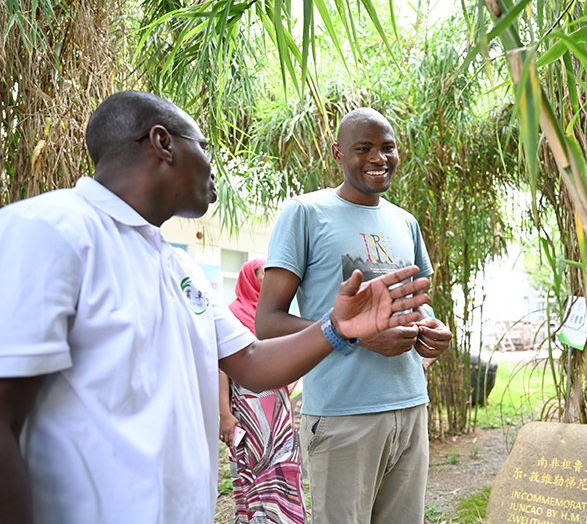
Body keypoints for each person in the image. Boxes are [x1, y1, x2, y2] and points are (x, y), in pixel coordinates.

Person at [0, 91, 431, 524]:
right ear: (163, 143)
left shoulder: (176, 266)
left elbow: (252, 361)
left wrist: (338, 328)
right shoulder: (51, 230)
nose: (212, 166)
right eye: (203, 147)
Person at [255, 107, 453, 524]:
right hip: (343, 414)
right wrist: (358, 336)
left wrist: (432, 329)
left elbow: (417, 303)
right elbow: (268, 323)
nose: (378, 158)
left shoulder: (405, 222)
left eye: (387, 147)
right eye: (363, 148)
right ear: (338, 153)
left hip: (411, 407)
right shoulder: (306, 213)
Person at [219, 259, 305, 523]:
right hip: (248, 405)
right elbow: (221, 369)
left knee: (284, 463)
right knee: (254, 465)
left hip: (278, 404)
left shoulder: (272, 318)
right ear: (249, 277)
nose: (269, 279)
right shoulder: (232, 314)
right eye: (263, 274)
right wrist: (225, 414)